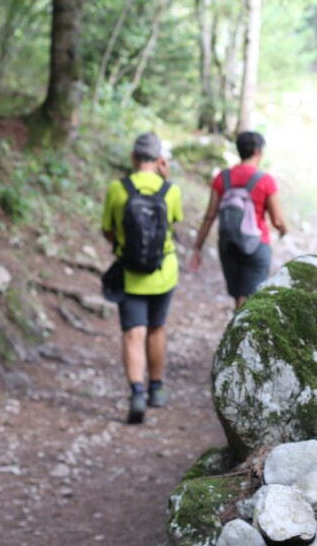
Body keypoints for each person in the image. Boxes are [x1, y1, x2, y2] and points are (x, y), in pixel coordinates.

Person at [101, 131, 183, 424]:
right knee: (157, 329)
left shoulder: (117, 188)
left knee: (133, 332)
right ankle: (156, 389)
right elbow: (173, 225)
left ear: (133, 157)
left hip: (130, 271)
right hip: (164, 272)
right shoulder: (170, 191)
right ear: (160, 159)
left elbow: (108, 230)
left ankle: (137, 393)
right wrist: (167, 177)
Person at [188, 130, 287, 309]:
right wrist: (284, 230)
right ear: (257, 152)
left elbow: (210, 216)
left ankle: (237, 332)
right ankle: (241, 335)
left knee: (239, 299)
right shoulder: (265, 180)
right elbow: (277, 220)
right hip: (257, 245)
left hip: (228, 244)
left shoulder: (222, 178)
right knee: (248, 300)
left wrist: (197, 247)